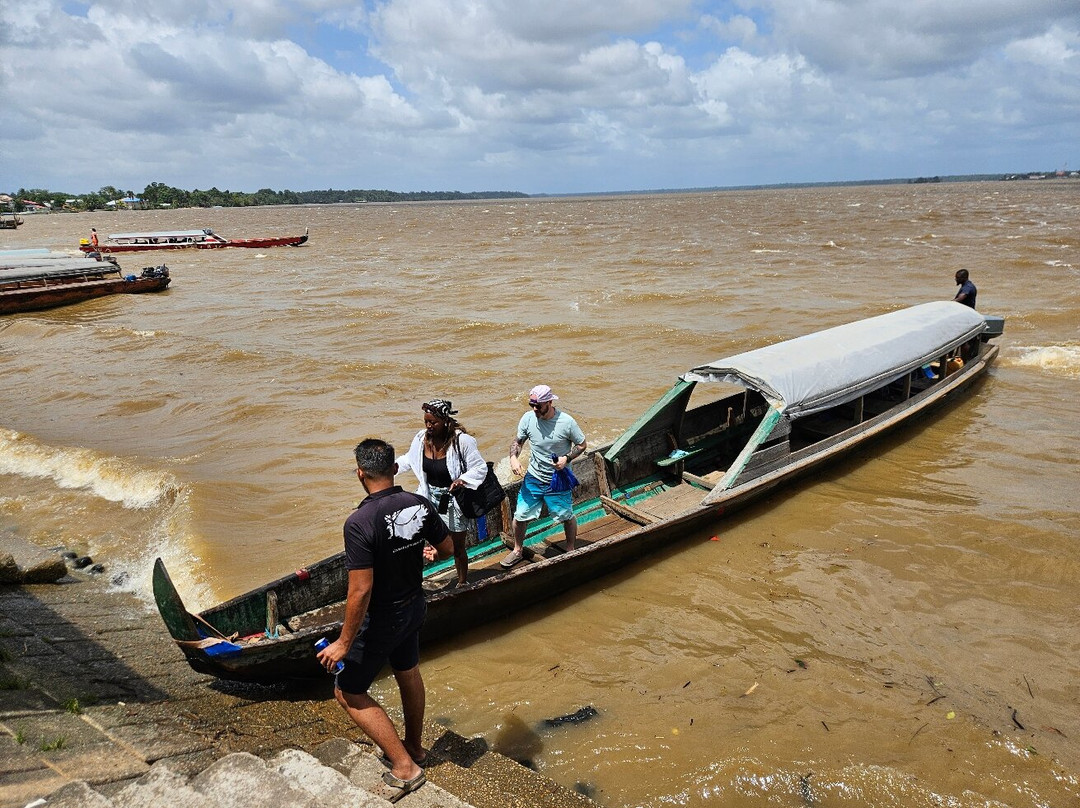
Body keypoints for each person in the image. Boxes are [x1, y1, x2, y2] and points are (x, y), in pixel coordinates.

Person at [317, 438, 453, 802]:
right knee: (407, 671)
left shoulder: (359, 522)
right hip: (414, 606)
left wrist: (343, 643)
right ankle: (415, 746)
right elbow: (447, 548)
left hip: (383, 617)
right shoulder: (418, 503)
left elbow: (360, 591)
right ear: (395, 469)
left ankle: (405, 766)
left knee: (348, 690)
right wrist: (421, 548)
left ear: (360, 473)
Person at [396, 399, 488, 586]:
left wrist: (462, 480)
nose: (429, 426)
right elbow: (409, 459)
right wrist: (392, 468)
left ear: (445, 421)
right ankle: (414, 582)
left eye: (433, 422)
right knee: (413, 539)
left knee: (457, 547)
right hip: (428, 495)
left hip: (453, 499)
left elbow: (480, 468)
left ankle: (462, 582)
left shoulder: (462, 442)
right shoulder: (422, 438)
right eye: (426, 422)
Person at [503, 384, 587, 568]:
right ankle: (517, 550)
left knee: (566, 515)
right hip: (533, 477)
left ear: (550, 402)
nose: (534, 409)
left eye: (538, 405)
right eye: (531, 404)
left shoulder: (566, 422)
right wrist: (513, 458)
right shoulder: (528, 418)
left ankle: (571, 549)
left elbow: (582, 445)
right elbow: (518, 441)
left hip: (558, 479)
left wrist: (567, 458)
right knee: (520, 515)